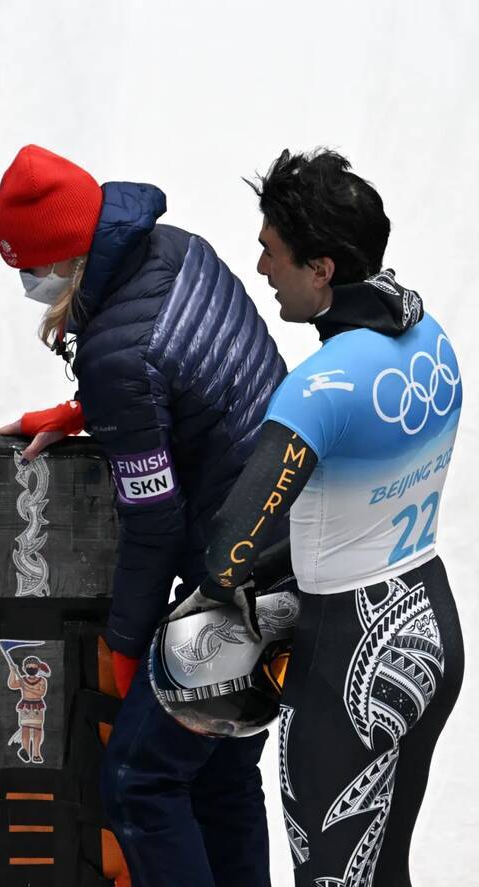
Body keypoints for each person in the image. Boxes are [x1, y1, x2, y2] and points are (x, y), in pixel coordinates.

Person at [0, 144, 289, 886]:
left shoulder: (116, 356)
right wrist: (87, 412)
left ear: (65, 256)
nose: (32, 286)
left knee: (140, 782)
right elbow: (189, 379)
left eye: (32, 270)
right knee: (217, 775)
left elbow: (153, 523)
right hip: (295, 545)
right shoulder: (176, 247)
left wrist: (127, 650)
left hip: (239, 584)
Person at [172, 148, 464, 887]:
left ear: (322, 268)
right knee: (383, 867)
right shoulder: (433, 340)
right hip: (430, 624)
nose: (261, 267)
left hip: (347, 651)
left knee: (329, 877)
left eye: (272, 251)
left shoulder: (321, 386)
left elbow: (229, 547)